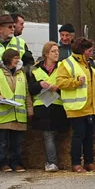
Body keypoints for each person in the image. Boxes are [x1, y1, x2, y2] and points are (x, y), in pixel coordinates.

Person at [0, 14, 33, 170]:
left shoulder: (20, 43)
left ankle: (14, 161)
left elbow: (30, 63)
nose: (13, 29)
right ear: (0, 28)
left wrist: (25, 70)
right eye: (10, 27)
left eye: (13, 26)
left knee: (16, 136)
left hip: (16, 89)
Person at [56, 38, 95, 173]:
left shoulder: (91, 64)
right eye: (89, 51)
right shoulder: (67, 64)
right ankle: (76, 163)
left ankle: (89, 162)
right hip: (77, 107)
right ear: (83, 51)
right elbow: (60, 83)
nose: (92, 53)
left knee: (89, 136)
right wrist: (76, 82)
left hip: (92, 106)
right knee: (79, 135)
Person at [0, 48, 32, 173]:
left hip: (18, 114)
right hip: (3, 114)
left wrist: (30, 109)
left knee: (17, 142)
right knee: (2, 142)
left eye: (19, 58)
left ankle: (16, 162)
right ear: (8, 59)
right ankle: (2, 163)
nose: (18, 61)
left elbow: (26, 93)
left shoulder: (21, 74)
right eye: (15, 58)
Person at [29, 42, 68, 173]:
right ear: (46, 54)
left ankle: (49, 161)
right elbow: (31, 89)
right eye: (53, 51)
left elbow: (68, 84)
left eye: (57, 51)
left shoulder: (63, 67)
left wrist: (59, 87)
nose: (57, 53)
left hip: (57, 105)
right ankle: (52, 163)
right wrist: (40, 84)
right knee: (48, 135)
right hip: (42, 106)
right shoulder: (35, 70)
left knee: (54, 135)